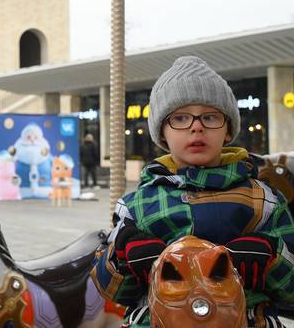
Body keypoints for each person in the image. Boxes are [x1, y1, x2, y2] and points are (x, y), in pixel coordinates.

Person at [91, 56, 294, 327]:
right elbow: (110, 290)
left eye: (209, 117)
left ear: (228, 129)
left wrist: (272, 255)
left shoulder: (263, 200)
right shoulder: (136, 205)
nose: (196, 126)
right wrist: (122, 256)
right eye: (181, 118)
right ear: (163, 133)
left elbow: (291, 287)